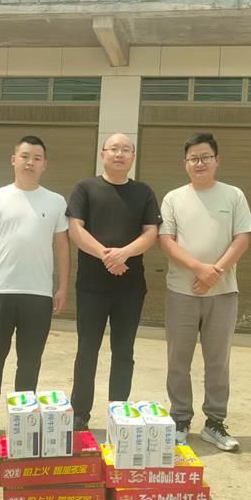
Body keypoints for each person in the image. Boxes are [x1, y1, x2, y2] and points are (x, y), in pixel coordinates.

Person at [0, 135, 70, 444]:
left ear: (45, 164)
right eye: (24, 156)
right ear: (13, 160)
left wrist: (62, 287)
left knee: (30, 360)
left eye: (37, 157)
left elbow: (62, 248)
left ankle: (23, 419)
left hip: (39, 294)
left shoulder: (56, 202)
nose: (30, 162)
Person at [158, 132, 251, 450]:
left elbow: (242, 238)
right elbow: (166, 242)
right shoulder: (173, 198)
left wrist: (216, 273)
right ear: (185, 163)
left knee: (218, 361)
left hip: (223, 293)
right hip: (181, 292)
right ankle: (180, 419)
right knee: (178, 359)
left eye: (205, 157)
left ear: (217, 160)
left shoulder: (233, 195)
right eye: (193, 158)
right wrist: (200, 269)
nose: (199, 163)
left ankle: (215, 423)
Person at [66, 133, 162, 431]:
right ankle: (80, 414)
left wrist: (124, 253)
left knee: (124, 352)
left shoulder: (143, 192)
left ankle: (118, 412)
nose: (120, 154)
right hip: (91, 287)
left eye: (126, 149)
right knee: (87, 351)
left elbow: (151, 233)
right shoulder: (85, 187)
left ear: (133, 156)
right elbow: (75, 229)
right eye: (114, 149)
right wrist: (107, 256)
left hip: (130, 289)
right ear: (103, 153)